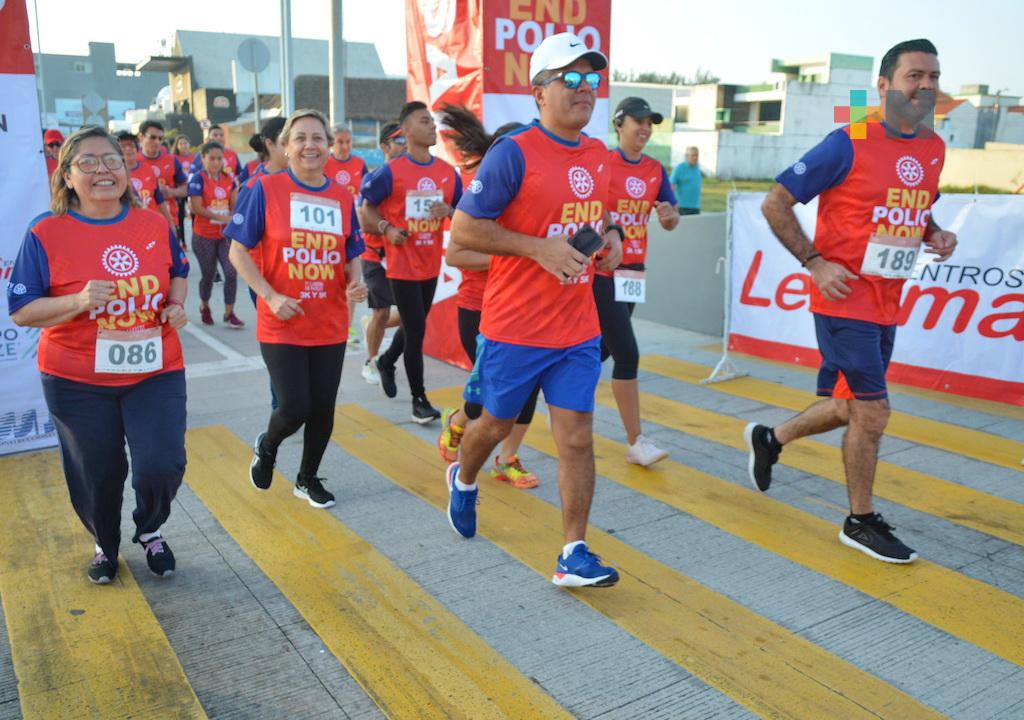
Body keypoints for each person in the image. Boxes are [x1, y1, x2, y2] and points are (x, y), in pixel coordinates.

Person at [750, 38, 956, 564]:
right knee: (873, 412)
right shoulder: (848, 141)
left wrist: (934, 233)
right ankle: (859, 520)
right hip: (844, 303)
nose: (926, 86)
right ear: (885, 86)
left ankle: (772, 439)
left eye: (933, 76)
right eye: (914, 76)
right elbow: (776, 203)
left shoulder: (933, 147)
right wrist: (815, 262)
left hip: (889, 301)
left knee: (848, 406)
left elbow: (915, 209)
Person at [447, 32, 623, 587]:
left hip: (576, 328)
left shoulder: (598, 155)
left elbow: (601, 218)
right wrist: (537, 249)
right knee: (494, 425)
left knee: (576, 437)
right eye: (570, 78)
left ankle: (574, 551)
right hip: (515, 327)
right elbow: (464, 232)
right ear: (539, 91)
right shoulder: (513, 153)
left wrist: (611, 239)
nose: (584, 89)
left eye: (592, 79)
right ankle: (464, 477)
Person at [7, 125, 190, 584]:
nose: (102, 170)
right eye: (86, 162)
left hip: (155, 369)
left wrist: (175, 305)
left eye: (111, 160)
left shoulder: (152, 223)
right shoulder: (46, 232)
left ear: (126, 169)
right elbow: (23, 311)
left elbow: (179, 271)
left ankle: (150, 528)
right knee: (97, 474)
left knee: (160, 464)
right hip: (76, 380)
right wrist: (78, 301)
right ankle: (105, 544)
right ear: (67, 177)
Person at [226, 109, 367, 508]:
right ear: (285, 147)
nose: (310, 145)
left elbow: (351, 250)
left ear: (328, 146)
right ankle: (267, 444)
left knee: (323, 409)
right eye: (300, 138)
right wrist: (269, 296)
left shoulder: (342, 195)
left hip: (330, 320)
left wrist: (354, 280)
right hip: (282, 320)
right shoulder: (265, 189)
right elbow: (238, 251)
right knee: (293, 407)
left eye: (318, 138)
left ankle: (306, 478)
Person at [434, 105, 540, 489]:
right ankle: (459, 421)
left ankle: (507, 459)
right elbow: (456, 255)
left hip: (525, 313)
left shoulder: (538, 200)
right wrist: (519, 255)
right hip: (480, 311)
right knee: (487, 401)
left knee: (527, 393)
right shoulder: (483, 192)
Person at [359, 101, 462, 424]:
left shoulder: (447, 173)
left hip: (432, 264)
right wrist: (388, 228)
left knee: (413, 325)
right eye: (424, 121)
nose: (432, 126)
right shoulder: (392, 172)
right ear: (406, 131)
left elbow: (466, 214)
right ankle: (419, 400)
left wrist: (451, 213)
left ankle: (387, 361)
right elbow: (366, 212)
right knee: (416, 331)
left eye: (432, 121)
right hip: (401, 265)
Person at [597, 97, 680, 466]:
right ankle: (637, 442)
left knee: (602, 349)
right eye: (638, 122)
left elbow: (671, 218)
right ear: (620, 124)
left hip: (634, 272)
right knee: (627, 354)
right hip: (602, 270)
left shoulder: (655, 169)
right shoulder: (602, 163)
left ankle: (559, 399)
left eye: (650, 124)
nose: (645, 129)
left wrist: (667, 216)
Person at [356, 122, 405, 384]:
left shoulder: (412, 177)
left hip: (406, 257)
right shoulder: (377, 177)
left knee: (413, 315)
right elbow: (363, 221)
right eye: (399, 140)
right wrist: (388, 229)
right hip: (376, 255)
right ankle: (372, 361)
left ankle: (371, 327)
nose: (404, 145)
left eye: (406, 140)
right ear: (384, 147)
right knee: (382, 313)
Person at [326, 126, 371, 347]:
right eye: (340, 142)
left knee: (352, 279)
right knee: (331, 279)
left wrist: (361, 215)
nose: (344, 146)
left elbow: (364, 196)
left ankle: (347, 324)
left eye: (348, 142)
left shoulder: (359, 164)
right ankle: (329, 322)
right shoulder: (325, 164)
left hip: (352, 230)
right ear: (332, 144)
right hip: (329, 230)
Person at [188, 141, 242, 328]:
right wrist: (220, 217)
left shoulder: (229, 179)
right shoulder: (197, 179)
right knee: (209, 275)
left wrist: (232, 217)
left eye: (219, 158)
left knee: (231, 272)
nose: (216, 162)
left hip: (224, 236)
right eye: (211, 158)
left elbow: (234, 204)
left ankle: (229, 313)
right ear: (203, 158)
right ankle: (205, 305)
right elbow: (196, 208)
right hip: (203, 236)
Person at [137, 121, 189, 243]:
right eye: (152, 137)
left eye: (160, 138)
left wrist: (171, 191)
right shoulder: (133, 162)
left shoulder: (171, 160)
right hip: (140, 223)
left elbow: (185, 189)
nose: (157, 142)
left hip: (168, 220)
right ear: (141, 136)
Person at [117, 131, 177, 232]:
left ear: (137, 149)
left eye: (131, 145)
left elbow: (159, 199)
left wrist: (170, 223)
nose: (128, 149)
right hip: (126, 229)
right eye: (123, 146)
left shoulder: (148, 169)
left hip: (150, 225)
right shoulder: (113, 175)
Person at [172, 135, 195, 244]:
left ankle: (196, 238)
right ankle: (183, 241)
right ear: (177, 146)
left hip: (193, 189)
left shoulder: (194, 157)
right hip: (180, 189)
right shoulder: (174, 158)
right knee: (180, 215)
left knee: (194, 213)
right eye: (181, 143)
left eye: (185, 143)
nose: (183, 146)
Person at [670, 146, 702, 215]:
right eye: (693, 155)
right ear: (687, 156)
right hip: (682, 207)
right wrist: (672, 203)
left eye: (697, 155)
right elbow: (671, 186)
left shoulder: (697, 168)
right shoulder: (680, 168)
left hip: (695, 207)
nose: (695, 157)